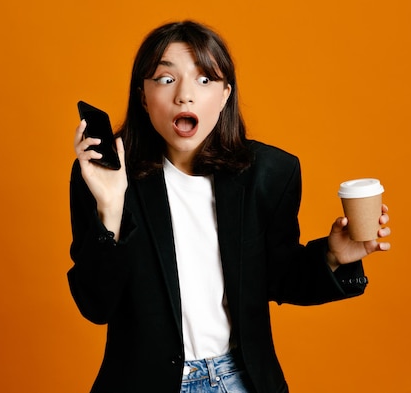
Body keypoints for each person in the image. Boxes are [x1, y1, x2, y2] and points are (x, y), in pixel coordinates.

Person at [68, 20, 391, 393]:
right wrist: (110, 206)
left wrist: (334, 256)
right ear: (143, 95)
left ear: (224, 96)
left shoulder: (270, 174)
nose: (185, 95)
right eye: (165, 78)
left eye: (205, 80)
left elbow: (279, 277)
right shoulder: (105, 176)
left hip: (239, 379)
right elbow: (96, 305)